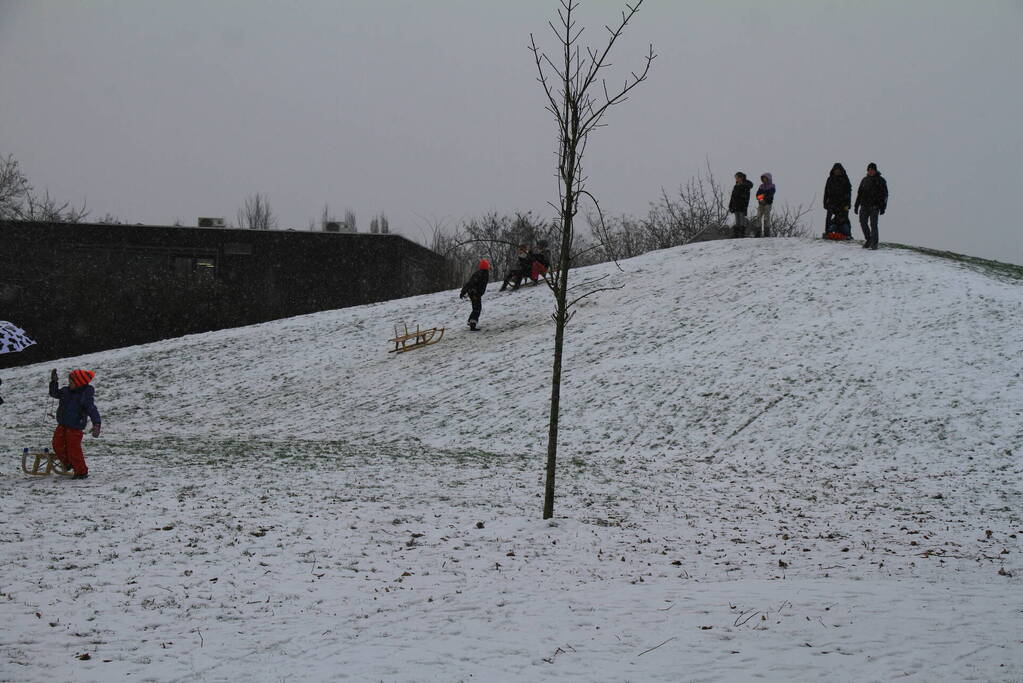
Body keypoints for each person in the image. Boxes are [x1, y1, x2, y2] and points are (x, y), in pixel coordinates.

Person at [49, 368, 101, 479]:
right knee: (57, 444)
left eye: (71, 382)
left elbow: (92, 410)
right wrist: (54, 382)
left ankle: (81, 472)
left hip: (75, 427)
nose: (69, 384)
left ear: (79, 383)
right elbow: (53, 393)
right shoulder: (65, 391)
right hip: (62, 424)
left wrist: (96, 424)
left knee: (74, 450)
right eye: (69, 382)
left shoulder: (84, 396)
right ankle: (68, 463)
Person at [854, 162, 889, 250]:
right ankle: (868, 239)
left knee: (874, 225)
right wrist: (856, 206)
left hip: (875, 207)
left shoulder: (881, 180)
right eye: (869, 170)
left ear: (875, 170)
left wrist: (883, 207)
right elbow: (859, 194)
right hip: (864, 206)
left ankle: (874, 243)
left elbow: (885, 195)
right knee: (863, 223)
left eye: (872, 170)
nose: (871, 171)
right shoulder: (864, 180)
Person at [823, 163, 853, 239]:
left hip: (843, 204)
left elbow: (849, 192)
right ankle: (827, 232)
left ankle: (847, 234)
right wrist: (825, 202)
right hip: (831, 203)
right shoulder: (830, 179)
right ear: (833, 170)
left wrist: (848, 204)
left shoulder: (845, 179)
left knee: (844, 219)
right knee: (828, 218)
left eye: (838, 170)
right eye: (835, 170)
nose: (837, 171)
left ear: (841, 170)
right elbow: (826, 192)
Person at [459, 259, 490, 330]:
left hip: (474, 293)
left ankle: (471, 322)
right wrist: (463, 291)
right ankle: (472, 324)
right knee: (477, 308)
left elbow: (470, 282)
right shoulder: (482, 274)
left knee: (476, 307)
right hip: (474, 293)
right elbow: (471, 283)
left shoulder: (480, 273)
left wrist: (464, 291)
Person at [728, 172, 754, 238]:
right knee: (737, 220)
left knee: (742, 219)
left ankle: (742, 234)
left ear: (741, 177)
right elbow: (732, 197)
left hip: (742, 205)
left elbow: (746, 197)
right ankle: (737, 235)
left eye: (737, 178)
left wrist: (742, 201)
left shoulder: (746, 185)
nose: (736, 179)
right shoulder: (736, 186)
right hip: (735, 205)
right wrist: (730, 205)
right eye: (736, 178)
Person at [754, 173, 775, 237]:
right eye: (763, 178)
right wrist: (761, 199)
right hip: (761, 204)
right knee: (758, 217)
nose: (764, 179)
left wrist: (763, 196)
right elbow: (757, 195)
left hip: (768, 204)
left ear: (768, 179)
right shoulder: (761, 186)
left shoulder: (772, 186)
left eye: (765, 178)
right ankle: (758, 233)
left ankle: (766, 233)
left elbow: (770, 194)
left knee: (766, 218)